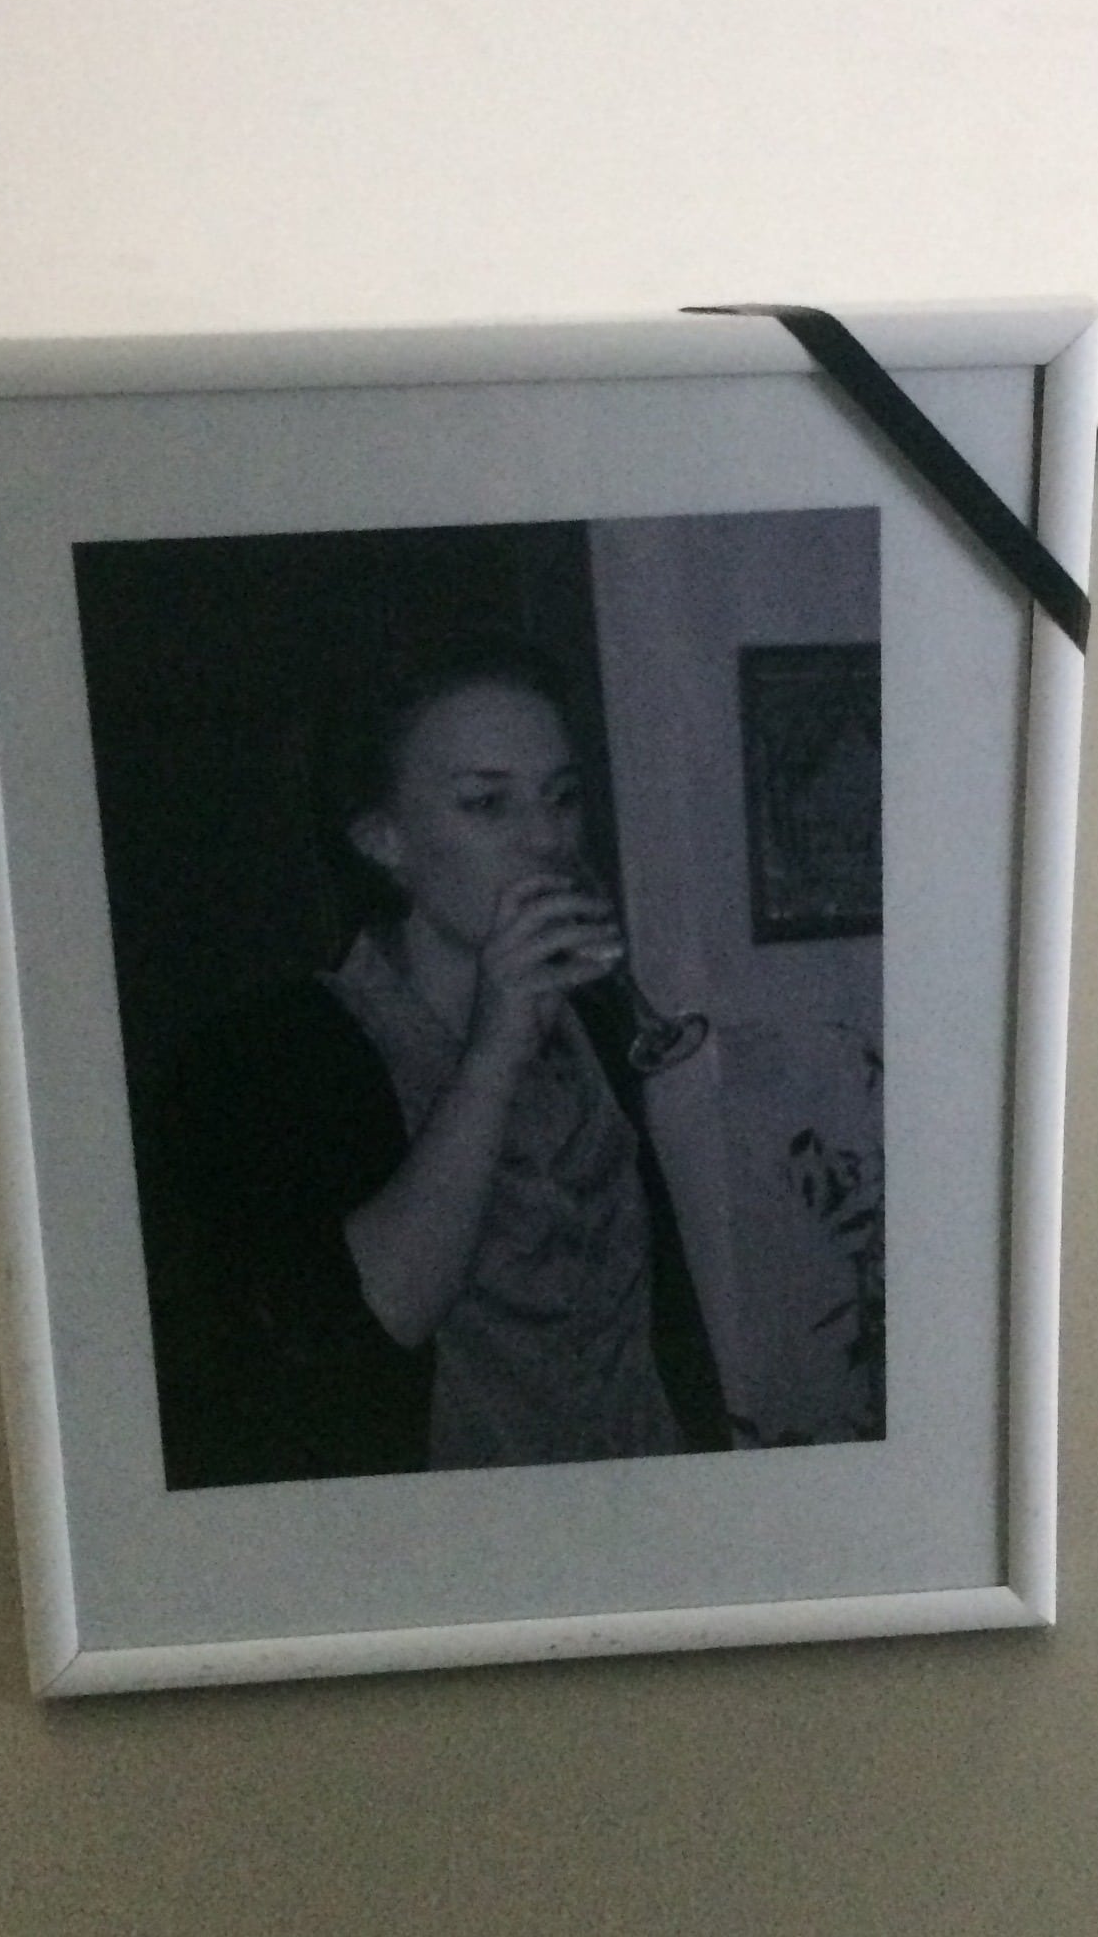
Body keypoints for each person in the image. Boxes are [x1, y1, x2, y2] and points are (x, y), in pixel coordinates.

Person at [150, 631, 728, 1488]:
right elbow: (374, 1321)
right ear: (384, 838)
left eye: (562, 797)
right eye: (488, 804)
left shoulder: (591, 1026)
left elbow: (658, 1313)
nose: (547, 839)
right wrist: (494, 1050)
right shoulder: (277, 1054)